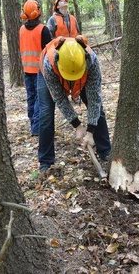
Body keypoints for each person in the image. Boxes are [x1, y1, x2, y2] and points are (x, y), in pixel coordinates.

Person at [37, 36, 111, 173]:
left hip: (84, 77)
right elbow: (59, 98)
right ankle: (45, 161)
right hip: (48, 74)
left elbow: (94, 98)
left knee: (97, 108)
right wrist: (77, 125)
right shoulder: (49, 63)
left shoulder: (92, 61)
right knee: (46, 114)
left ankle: (105, 151)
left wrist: (90, 131)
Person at [19, 0, 52, 135]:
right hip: (40, 71)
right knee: (39, 98)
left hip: (27, 70)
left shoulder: (21, 29)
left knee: (31, 97)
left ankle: (33, 123)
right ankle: (36, 127)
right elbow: (50, 51)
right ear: (38, 12)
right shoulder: (43, 29)